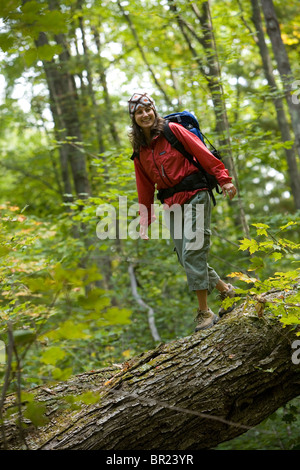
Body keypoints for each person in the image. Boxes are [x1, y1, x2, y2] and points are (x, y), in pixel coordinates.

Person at [128, 92, 236, 332]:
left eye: (148, 110)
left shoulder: (173, 130)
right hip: (171, 202)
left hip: (196, 192)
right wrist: (145, 218)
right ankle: (227, 292)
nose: (145, 115)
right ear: (133, 118)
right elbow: (144, 184)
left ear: (154, 110)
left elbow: (202, 153)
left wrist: (224, 178)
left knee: (194, 250)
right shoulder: (140, 150)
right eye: (139, 112)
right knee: (184, 256)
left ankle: (204, 312)